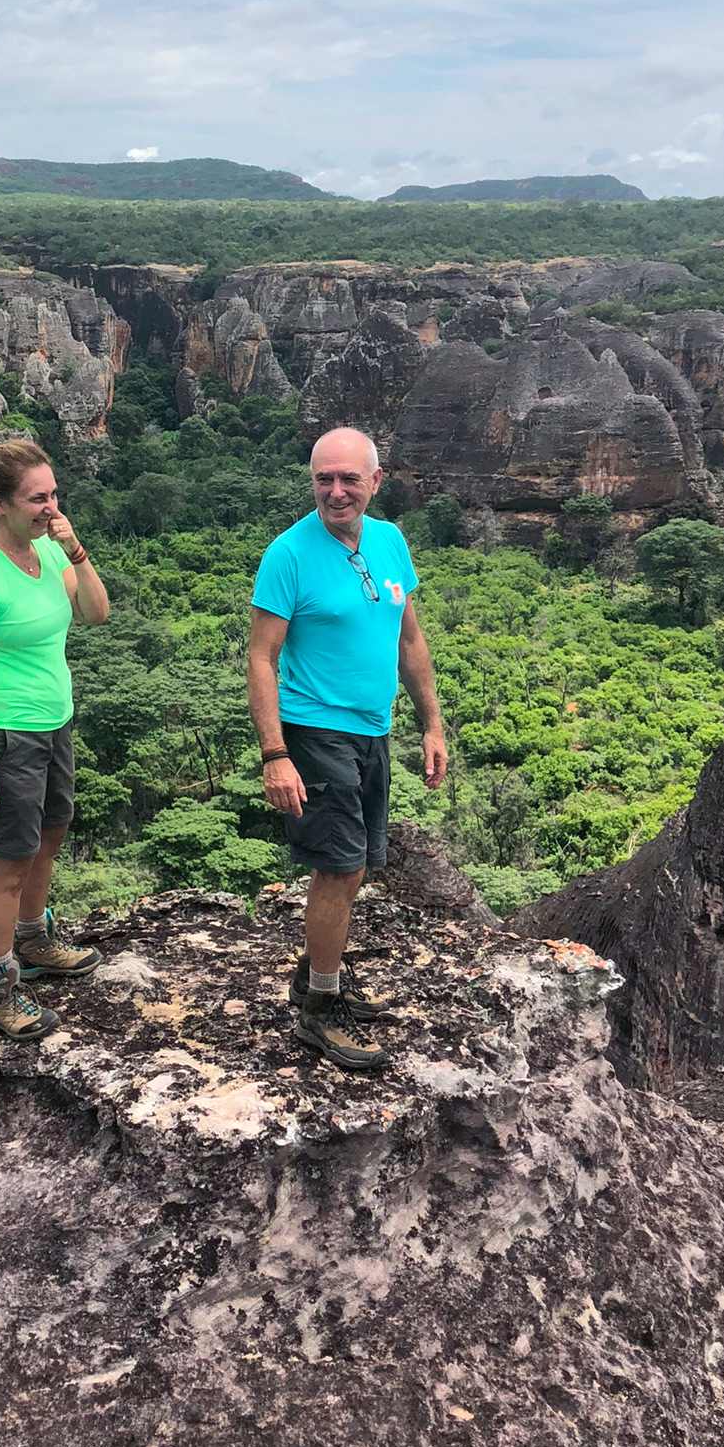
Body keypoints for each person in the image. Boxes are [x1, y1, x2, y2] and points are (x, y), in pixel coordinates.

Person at [247, 427, 448, 1074]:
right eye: (323, 479)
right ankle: (320, 1010)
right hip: (313, 730)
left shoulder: (389, 542)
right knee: (339, 868)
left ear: (375, 482)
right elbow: (260, 657)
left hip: (372, 729)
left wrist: (432, 725)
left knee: (357, 865)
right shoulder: (289, 555)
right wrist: (275, 753)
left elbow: (410, 640)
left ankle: (315, 977)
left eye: (348, 479)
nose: (335, 491)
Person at [0, 438, 111, 1040]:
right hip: (5, 733)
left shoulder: (50, 552)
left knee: (50, 834)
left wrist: (74, 547)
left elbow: (97, 613)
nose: (50, 506)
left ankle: (34, 939)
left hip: (54, 719)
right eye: (37, 498)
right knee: (7, 861)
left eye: (54, 494)